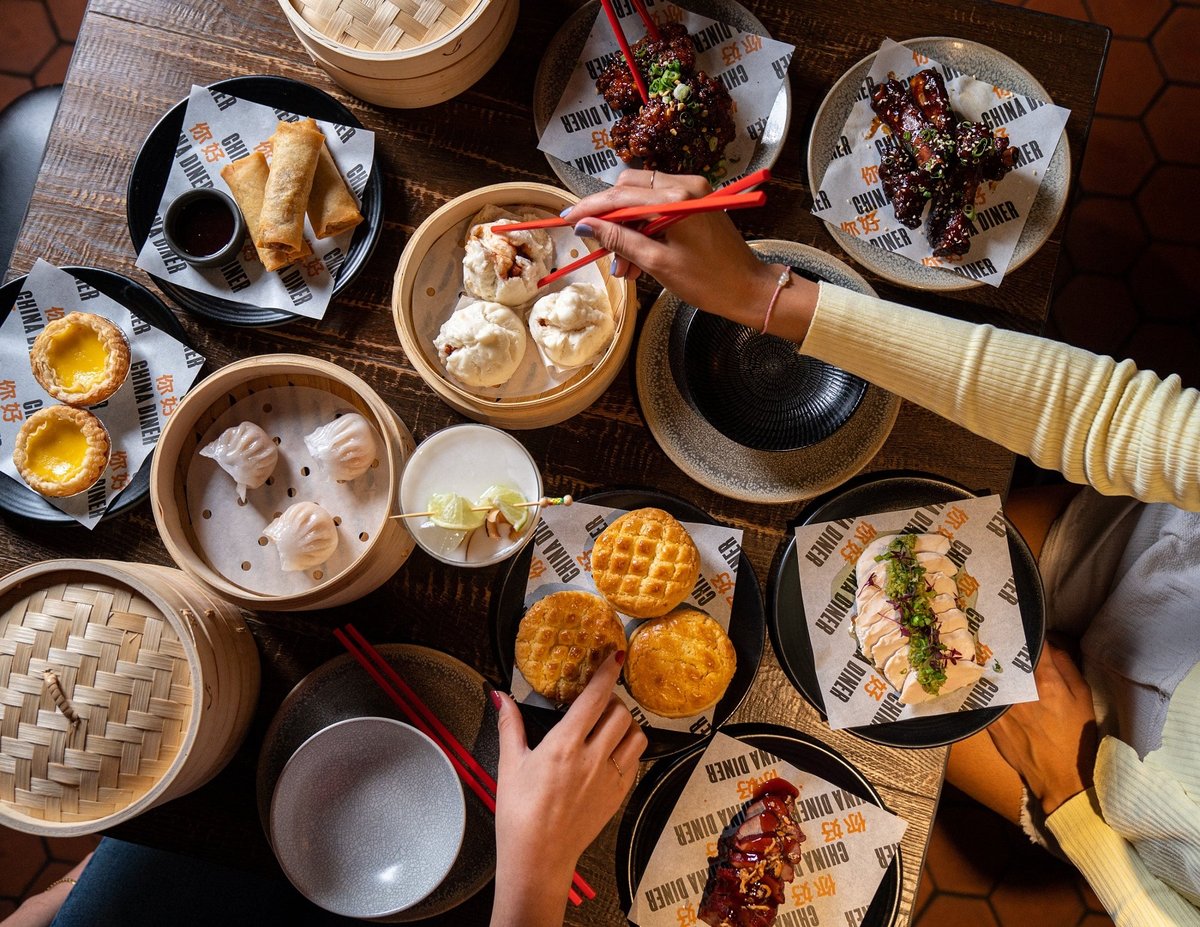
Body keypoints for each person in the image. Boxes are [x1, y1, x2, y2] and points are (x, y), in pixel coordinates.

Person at [547, 168, 1200, 927]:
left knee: (855, 715)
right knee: (902, 555)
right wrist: (767, 296)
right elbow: (1129, 424)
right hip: (1143, 551)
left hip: (1108, 796)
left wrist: (1071, 798)